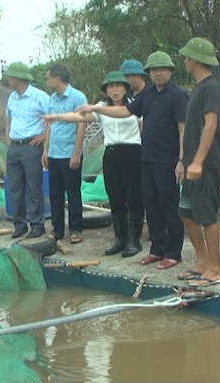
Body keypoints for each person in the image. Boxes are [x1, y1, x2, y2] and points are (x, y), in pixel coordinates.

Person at [77, 51, 188, 270]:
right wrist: (96, 108)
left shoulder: (177, 95)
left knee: (169, 206)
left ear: (170, 71)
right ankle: (157, 249)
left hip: (169, 160)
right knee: (152, 206)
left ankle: (174, 253)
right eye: (153, 70)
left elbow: (183, 128)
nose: (157, 73)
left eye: (161, 69)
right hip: (147, 159)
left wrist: (182, 159)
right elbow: (124, 112)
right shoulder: (147, 95)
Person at [43, 71, 145, 256]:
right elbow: (79, 117)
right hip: (111, 154)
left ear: (125, 88)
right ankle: (120, 239)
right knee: (116, 198)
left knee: (134, 198)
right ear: (106, 90)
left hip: (132, 153)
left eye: (119, 86)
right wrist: (57, 117)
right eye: (111, 87)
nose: (115, 90)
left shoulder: (134, 106)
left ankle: (134, 241)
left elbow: (142, 128)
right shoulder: (101, 107)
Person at [176, 38, 220, 286]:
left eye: (186, 57)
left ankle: (215, 270)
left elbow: (211, 124)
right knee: (186, 213)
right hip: (192, 164)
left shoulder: (211, 87)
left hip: (206, 164)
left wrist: (198, 162)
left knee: (207, 216)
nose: (184, 61)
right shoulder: (197, 88)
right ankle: (203, 262)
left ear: (195, 59)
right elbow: (191, 129)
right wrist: (183, 160)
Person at [4, 61, 49, 239]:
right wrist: (7, 135)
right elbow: (8, 116)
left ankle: (37, 224)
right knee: (14, 187)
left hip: (32, 146)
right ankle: (20, 224)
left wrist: (44, 136)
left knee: (33, 186)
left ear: (19, 78)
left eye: (10, 77)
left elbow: (52, 118)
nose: (8, 80)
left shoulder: (39, 97)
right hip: (15, 146)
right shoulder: (12, 97)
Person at [43, 64, 88, 244]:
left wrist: (76, 153)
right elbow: (49, 125)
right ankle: (58, 229)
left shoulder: (78, 97)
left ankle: (76, 229)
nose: (47, 82)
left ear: (57, 79)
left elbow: (81, 125)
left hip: (70, 152)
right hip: (54, 152)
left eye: (48, 78)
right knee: (55, 193)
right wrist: (45, 150)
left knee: (73, 192)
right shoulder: (52, 99)